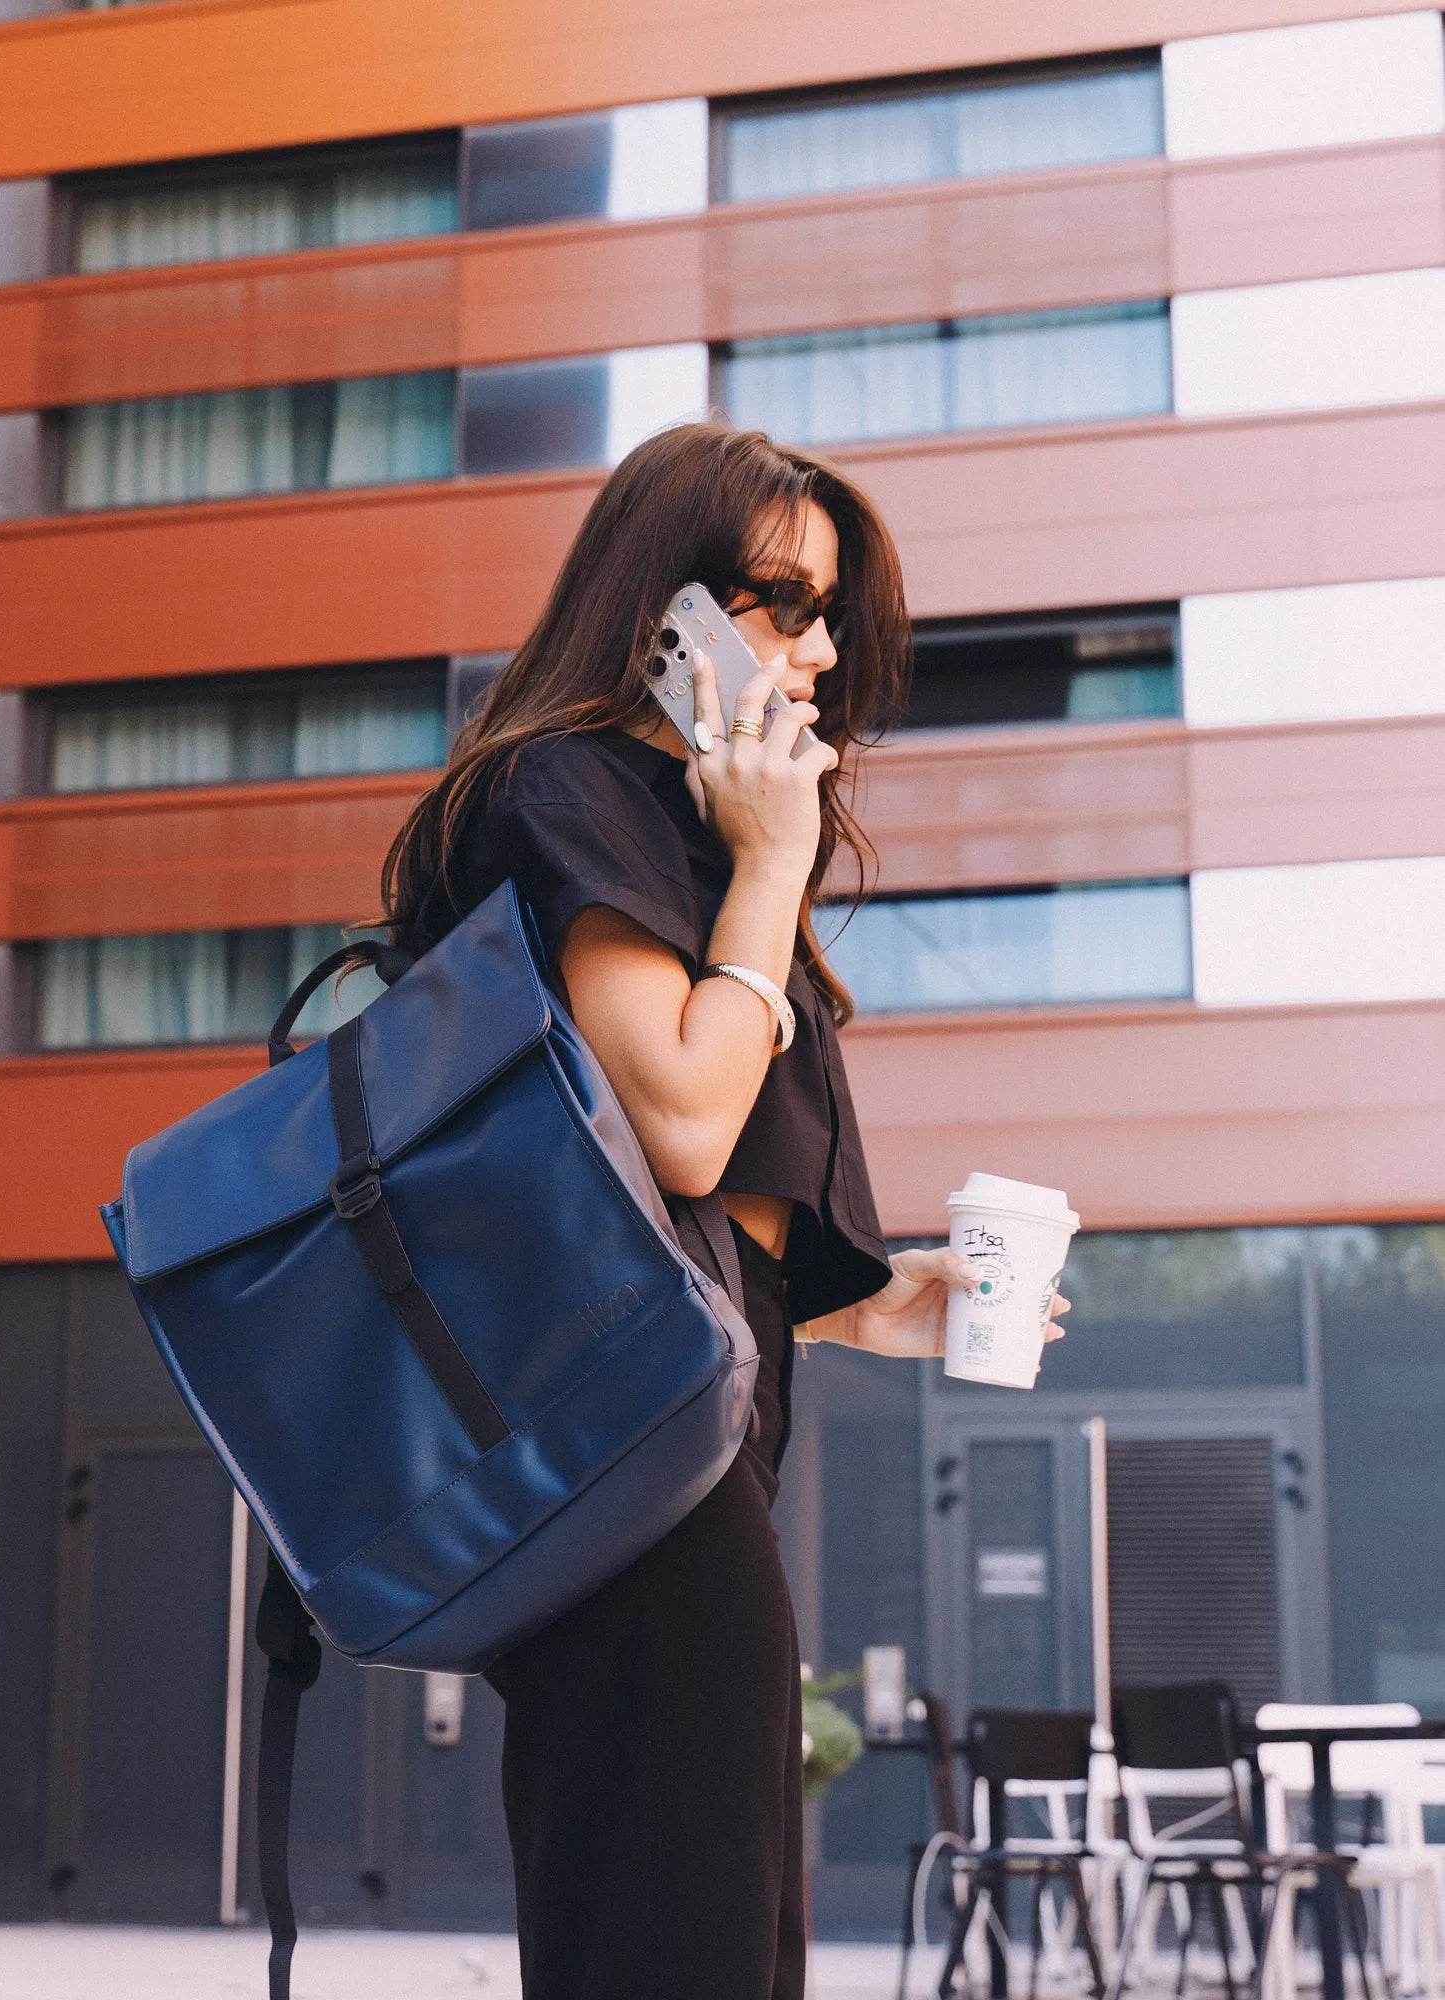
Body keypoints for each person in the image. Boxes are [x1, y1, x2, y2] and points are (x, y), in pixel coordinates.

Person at [377, 421, 1070, 1999]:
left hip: (689, 1450)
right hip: (624, 1470)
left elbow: (668, 1208)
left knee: (720, 1939)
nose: (821, 650)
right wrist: (771, 864)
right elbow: (684, 1122)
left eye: (833, 612)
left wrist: (880, 1302)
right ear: (663, 611)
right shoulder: (571, 796)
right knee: (681, 1946)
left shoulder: (679, 830)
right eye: (782, 601)